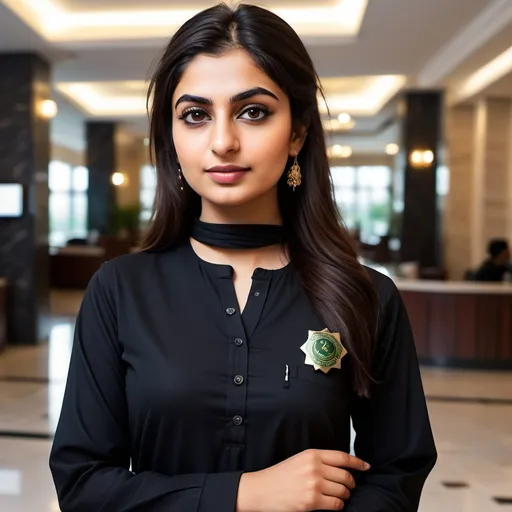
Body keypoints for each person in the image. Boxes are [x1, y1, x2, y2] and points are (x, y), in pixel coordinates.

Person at [49, 3, 437, 511]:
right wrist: (241, 494)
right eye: (195, 115)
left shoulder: (366, 295)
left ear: (297, 131)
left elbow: (397, 479)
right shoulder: (120, 290)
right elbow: (82, 486)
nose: (223, 141)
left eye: (253, 111)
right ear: (172, 136)